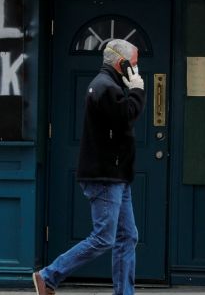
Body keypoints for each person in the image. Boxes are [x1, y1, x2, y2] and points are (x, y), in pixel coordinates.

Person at [33, 39, 145, 295]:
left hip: (117, 175)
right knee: (104, 237)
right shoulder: (105, 87)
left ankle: (124, 293)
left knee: (128, 236)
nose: (137, 70)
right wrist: (138, 91)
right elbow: (126, 116)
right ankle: (48, 275)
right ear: (122, 63)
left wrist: (131, 91)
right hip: (105, 175)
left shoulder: (109, 86)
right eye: (135, 64)